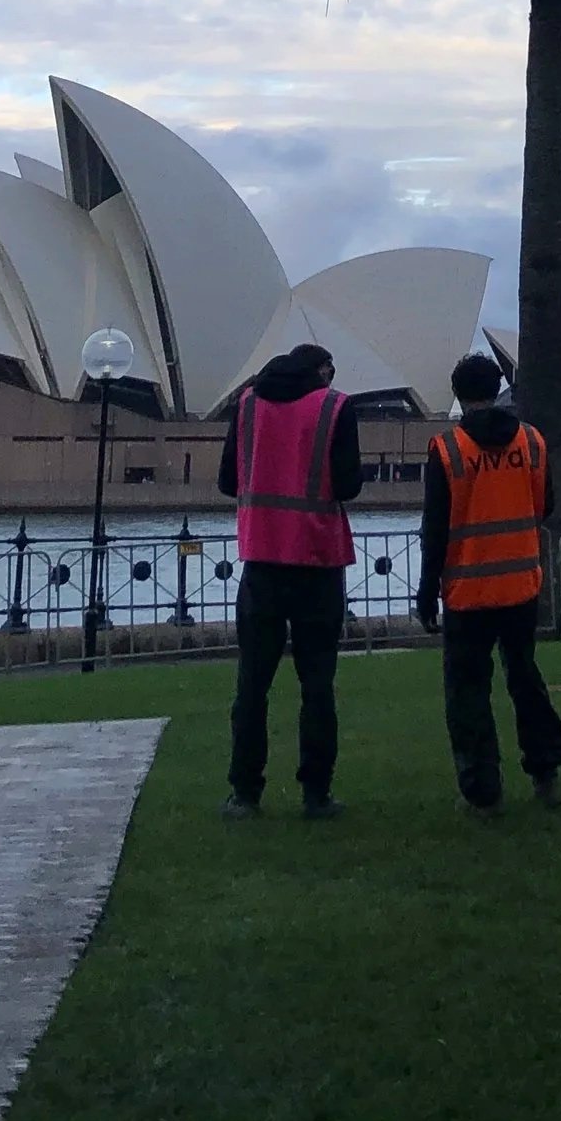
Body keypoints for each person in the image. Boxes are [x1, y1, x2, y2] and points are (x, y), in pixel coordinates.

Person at [416, 352, 561, 813]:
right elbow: (544, 505)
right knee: (525, 678)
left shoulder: (447, 450)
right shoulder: (533, 441)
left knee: (468, 691)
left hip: (467, 591)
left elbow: (435, 528)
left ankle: (483, 790)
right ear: (498, 387)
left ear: (459, 394)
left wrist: (427, 591)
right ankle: (546, 770)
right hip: (521, 584)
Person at [218, 338, 363, 822]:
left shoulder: (247, 404)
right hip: (318, 561)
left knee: (252, 684)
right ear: (322, 370)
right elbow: (348, 485)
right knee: (317, 684)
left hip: (260, 559)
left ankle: (245, 793)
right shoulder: (335, 407)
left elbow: (226, 481)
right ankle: (316, 794)